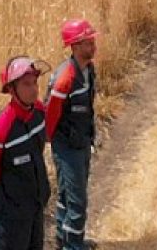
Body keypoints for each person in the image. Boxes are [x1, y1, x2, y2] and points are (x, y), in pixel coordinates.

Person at [0, 56, 51, 250]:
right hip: (11, 219)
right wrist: (2, 207)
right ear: (11, 89)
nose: (34, 89)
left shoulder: (39, 113)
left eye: (35, 82)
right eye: (26, 84)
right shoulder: (0, 130)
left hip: (35, 208)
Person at [44, 19, 99, 250]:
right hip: (67, 145)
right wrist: (52, 140)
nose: (93, 45)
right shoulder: (65, 79)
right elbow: (50, 116)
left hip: (80, 141)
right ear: (75, 47)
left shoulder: (87, 70)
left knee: (68, 194)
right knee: (77, 200)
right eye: (88, 42)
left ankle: (63, 238)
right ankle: (73, 245)